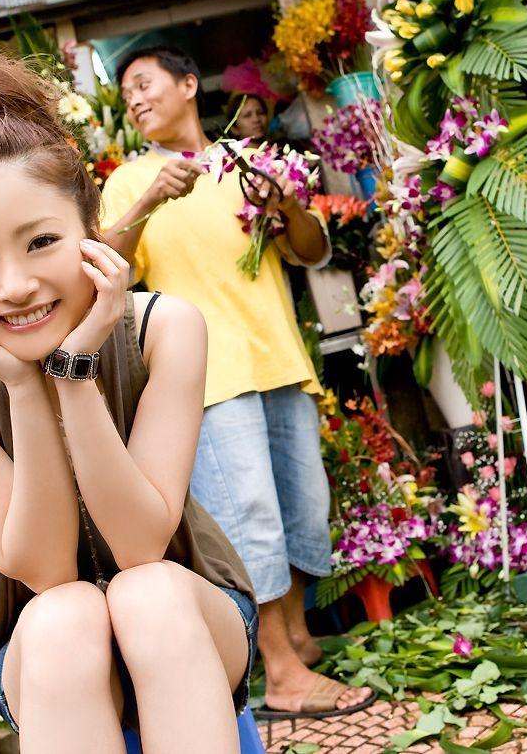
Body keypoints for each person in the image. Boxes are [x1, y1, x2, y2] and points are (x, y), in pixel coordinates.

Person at [0, 52, 258, 752]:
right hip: (42, 650)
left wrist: (75, 370)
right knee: (65, 614)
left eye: (42, 241)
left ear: (91, 225)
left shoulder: (162, 328)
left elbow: (142, 545)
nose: (15, 285)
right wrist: (25, 386)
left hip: (190, 614)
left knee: (147, 594)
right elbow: (47, 569)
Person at [100, 46, 376, 719]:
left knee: (298, 514)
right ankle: (279, 674)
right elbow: (105, 270)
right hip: (205, 379)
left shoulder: (248, 162)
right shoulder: (127, 180)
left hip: (279, 358)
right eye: (126, 94)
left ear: (189, 85)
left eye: (144, 84)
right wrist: (146, 199)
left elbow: (311, 251)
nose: (134, 101)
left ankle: (298, 641)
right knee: (249, 525)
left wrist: (286, 203)